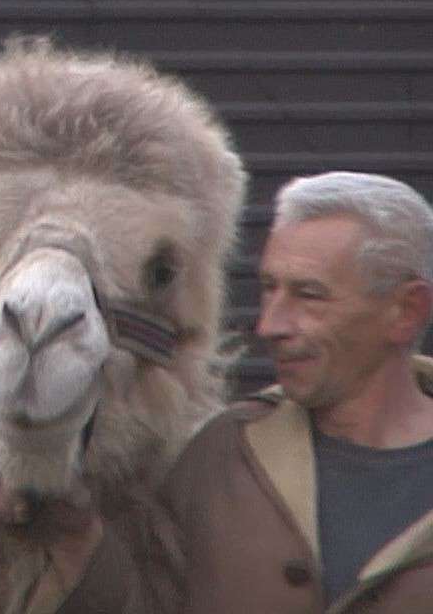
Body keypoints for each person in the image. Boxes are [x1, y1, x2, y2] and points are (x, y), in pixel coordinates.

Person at [53, 170, 433, 612]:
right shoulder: (221, 455)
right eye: (269, 289)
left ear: (406, 311)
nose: (269, 325)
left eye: (309, 295)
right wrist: (73, 533)